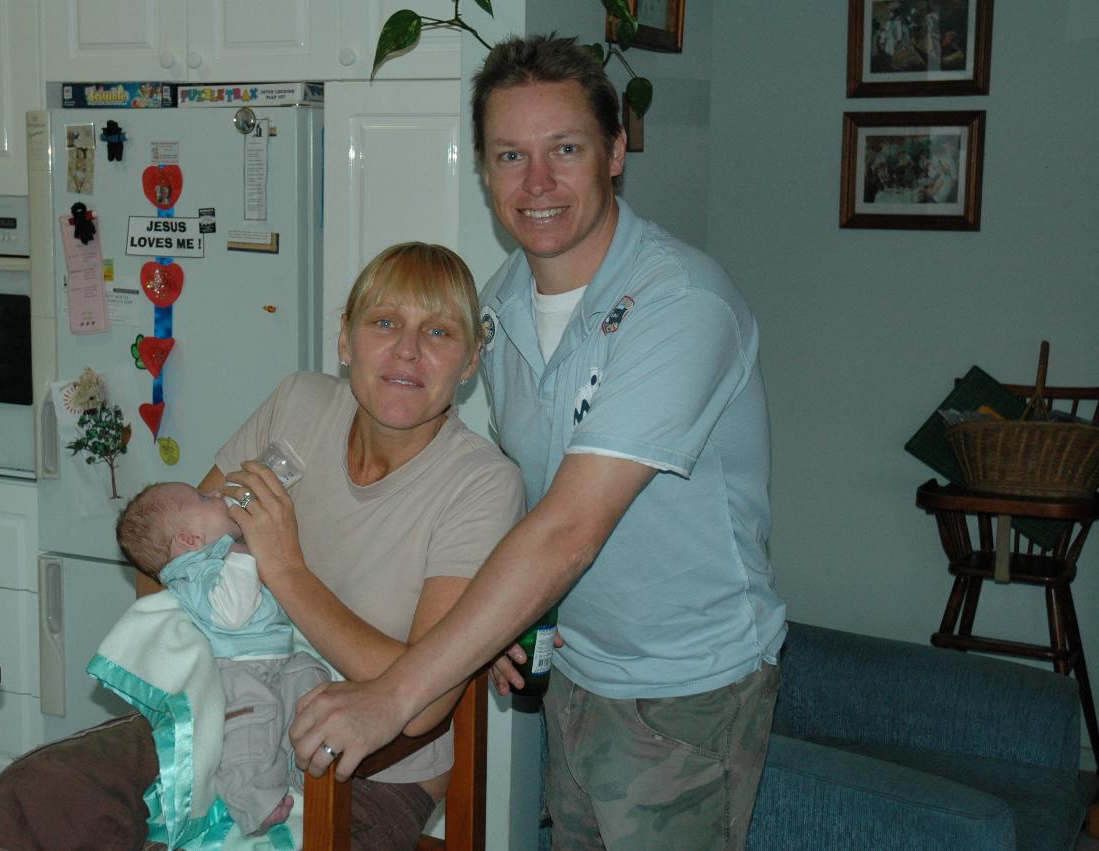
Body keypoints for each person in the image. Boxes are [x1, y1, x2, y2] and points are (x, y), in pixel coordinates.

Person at [288, 35, 787, 851]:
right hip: (574, 675)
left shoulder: (682, 304)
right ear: (484, 172)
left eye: (565, 149)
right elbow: (507, 491)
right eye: (510, 155)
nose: (538, 182)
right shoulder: (501, 306)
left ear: (616, 151)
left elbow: (568, 528)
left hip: (684, 688)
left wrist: (395, 692)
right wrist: (491, 632)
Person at [0, 241, 525, 851]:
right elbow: (167, 556)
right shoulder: (299, 406)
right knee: (33, 795)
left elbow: (420, 706)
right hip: (223, 718)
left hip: (371, 775)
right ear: (345, 340)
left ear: (469, 363)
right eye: (384, 322)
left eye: (439, 331)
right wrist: (221, 668)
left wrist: (284, 568)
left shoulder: (482, 484)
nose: (407, 349)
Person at [114, 481, 328, 837]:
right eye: (202, 499)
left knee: (310, 685)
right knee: (249, 734)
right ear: (189, 540)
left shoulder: (215, 559)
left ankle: (297, 769)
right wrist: (244, 555)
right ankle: (253, 802)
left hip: (275, 658)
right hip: (238, 671)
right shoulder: (194, 574)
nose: (216, 495)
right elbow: (231, 613)